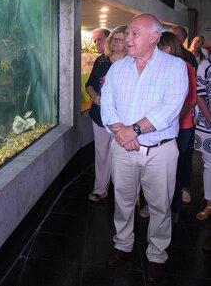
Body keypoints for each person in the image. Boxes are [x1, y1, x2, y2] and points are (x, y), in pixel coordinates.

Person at [101, 14, 188, 283]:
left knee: (160, 206)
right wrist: (122, 133)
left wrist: (134, 130)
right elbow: (107, 104)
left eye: (134, 34)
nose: (127, 38)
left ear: (154, 37)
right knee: (123, 201)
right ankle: (123, 243)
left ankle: (157, 255)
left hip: (159, 151)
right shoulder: (118, 68)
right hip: (123, 148)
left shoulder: (175, 67)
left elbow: (170, 108)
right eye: (128, 34)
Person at [157, 32, 196, 223]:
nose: (157, 50)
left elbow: (190, 100)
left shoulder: (185, 66)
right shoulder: (157, 67)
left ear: (170, 47)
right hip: (159, 127)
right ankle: (156, 206)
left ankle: (174, 209)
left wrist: (169, 119)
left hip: (181, 126)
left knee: (175, 168)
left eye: (161, 46)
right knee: (159, 170)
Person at [85, 25, 127, 202]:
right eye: (114, 39)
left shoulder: (133, 61)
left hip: (125, 118)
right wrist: (95, 97)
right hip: (100, 115)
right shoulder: (102, 60)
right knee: (102, 153)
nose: (116, 42)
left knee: (123, 156)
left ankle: (126, 193)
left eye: (121, 39)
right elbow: (89, 85)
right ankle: (101, 188)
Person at [193, 57, 211, 221]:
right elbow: (199, 94)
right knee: (209, 165)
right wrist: (209, 118)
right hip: (208, 124)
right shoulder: (206, 65)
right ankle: (209, 204)